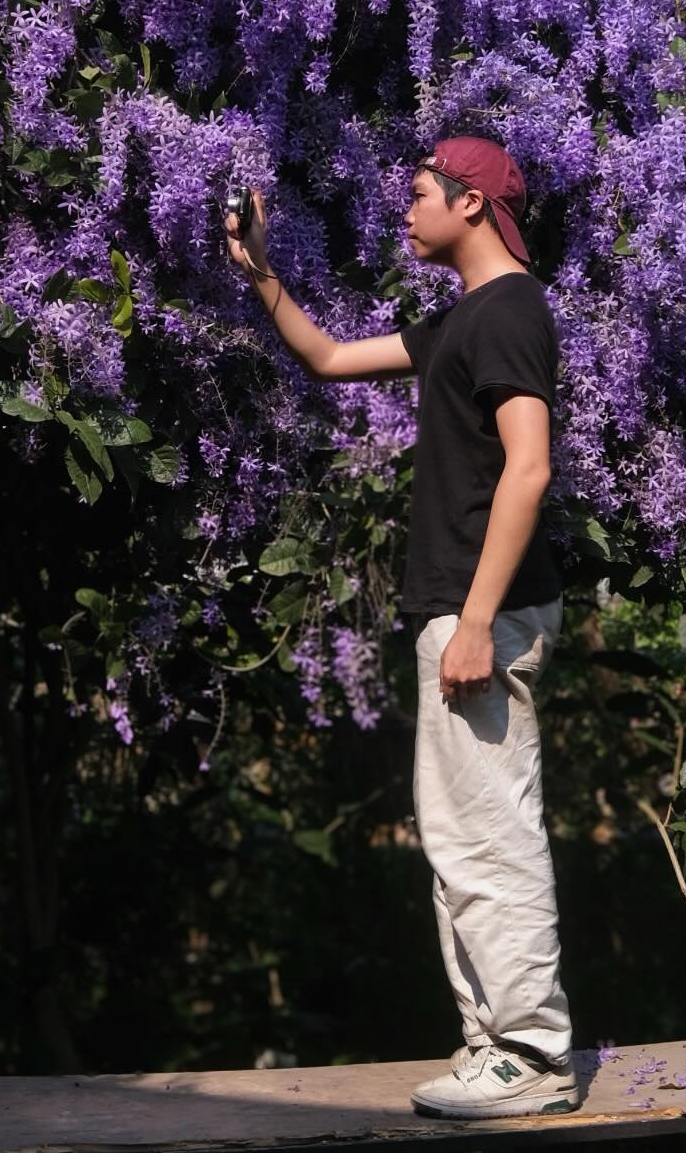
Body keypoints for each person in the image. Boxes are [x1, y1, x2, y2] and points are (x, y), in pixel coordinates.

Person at [225, 136, 579, 1120]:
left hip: (484, 612)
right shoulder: (467, 318)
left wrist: (474, 621)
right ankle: (492, 1044)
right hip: (462, 610)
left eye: (419, 192)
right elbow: (331, 356)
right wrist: (259, 271)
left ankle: (532, 1052)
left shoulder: (508, 312)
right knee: (458, 840)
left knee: (490, 836)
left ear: (470, 203)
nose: (406, 209)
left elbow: (529, 467)